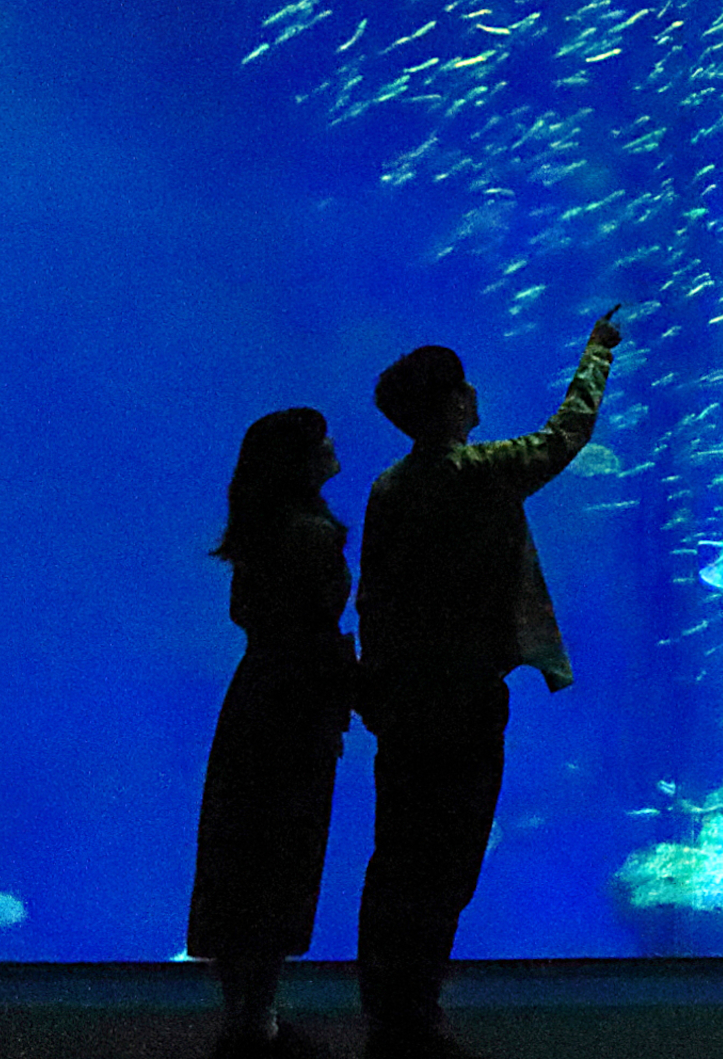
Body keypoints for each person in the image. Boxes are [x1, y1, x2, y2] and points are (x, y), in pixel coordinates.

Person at [354, 310, 621, 1059]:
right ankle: (419, 1009)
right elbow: (565, 435)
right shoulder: (479, 472)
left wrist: (377, 688)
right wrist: (596, 355)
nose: (476, 394)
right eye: (464, 387)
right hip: (466, 698)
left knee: (397, 853)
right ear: (448, 405)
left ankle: (387, 1007)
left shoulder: (387, 488)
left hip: (404, 703)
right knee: (451, 855)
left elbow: (371, 596)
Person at [187, 406, 356, 1058]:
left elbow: (251, 617)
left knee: (241, 850)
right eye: (320, 440)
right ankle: (258, 1014)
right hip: (297, 705)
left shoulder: (259, 530)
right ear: (299, 460)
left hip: (256, 695)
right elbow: (313, 631)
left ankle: (246, 1012)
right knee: (282, 851)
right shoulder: (311, 534)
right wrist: (350, 690)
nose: (332, 444)